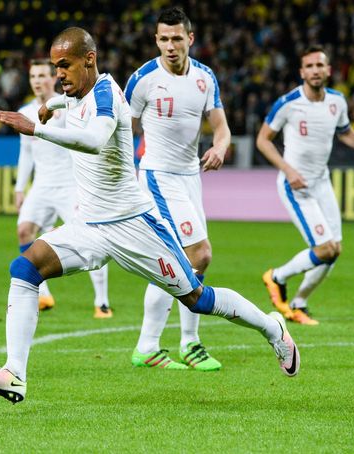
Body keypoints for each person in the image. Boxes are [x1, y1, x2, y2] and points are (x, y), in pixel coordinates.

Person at [0, 27, 299, 404]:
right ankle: (14, 373)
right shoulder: (74, 92)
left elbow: (94, 139)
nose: (59, 74)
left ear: (89, 59)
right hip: (89, 226)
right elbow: (69, 105)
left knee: (197, 298)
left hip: (134, 224)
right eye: (56, 66)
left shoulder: (106, 92)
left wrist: (37, 129)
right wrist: (51, 105)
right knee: (25, 268)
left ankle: (273, 330)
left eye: (65, 65)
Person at [124, 7, 231, 371]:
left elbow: (221, 126)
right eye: (164, 39)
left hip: (190, 178)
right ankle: (154, 344)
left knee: (184, 262)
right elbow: (122, 129)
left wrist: (219, 146)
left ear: (190, 38)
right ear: (156, 40)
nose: (170, 46)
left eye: (177, 38)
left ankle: (186, 344)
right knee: (197, 254)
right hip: (157, 176)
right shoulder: (143, 79)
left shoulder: (205, 78)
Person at [256, 45, 354, 325]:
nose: (315, 71)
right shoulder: (288, 103)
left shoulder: (337, 102)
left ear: (328, 70)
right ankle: (277, 277)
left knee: (335, 250)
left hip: (322, 182)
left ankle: (299, 302)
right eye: (310, 66)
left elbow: (346, 133)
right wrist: (288, 169)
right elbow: (262, 140)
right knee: (324, 249)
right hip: (296, 186)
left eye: (320, 65)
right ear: (302, 72)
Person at [15, 59, 112, 318]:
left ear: (53, 78)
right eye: (33, 76)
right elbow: (26, 153)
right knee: (24, 231)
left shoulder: (69, 106)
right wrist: (19, 188)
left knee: (92, 239)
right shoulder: (25, 112)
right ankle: (43, 295)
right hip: (42, 186)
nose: (37, 80)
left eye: (42, 75)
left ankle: (102, 302)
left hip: (70, 185)